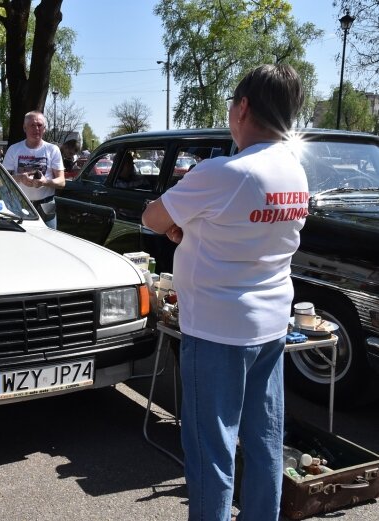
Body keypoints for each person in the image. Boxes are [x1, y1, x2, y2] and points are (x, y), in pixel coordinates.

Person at [142, 64, 306, 520]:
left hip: (217, 329)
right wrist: (194, 230)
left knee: (211, 452)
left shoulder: (224, 171)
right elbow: (246, 231)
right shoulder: (295, 172)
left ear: (243, 107)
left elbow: (154, 218)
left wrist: (180, 223)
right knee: (264, 441)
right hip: (270, 326)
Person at [2, 111, 65, 229]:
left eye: (40, 125)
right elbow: (3, 179)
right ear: (24, 128)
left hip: (46, 206)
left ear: (45, 129)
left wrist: (45, 182)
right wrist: (20, 178)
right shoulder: (14, 149)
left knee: (49, 242)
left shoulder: (53, 149)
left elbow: (62, 182)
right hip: (19, 205)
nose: (36, 128)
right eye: (32, 125)